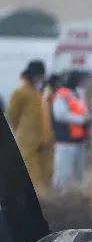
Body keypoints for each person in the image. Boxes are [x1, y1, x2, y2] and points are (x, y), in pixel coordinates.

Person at [6, 60, 53, 190]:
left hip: (43, 141)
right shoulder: (20, 93)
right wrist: (23, 132)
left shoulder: (40, 93)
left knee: (45, 176)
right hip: (28, 142)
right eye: (39, 75)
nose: (41, 79)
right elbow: (12, 117)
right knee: (31, 176)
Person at [50, 71, 91, 190]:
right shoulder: (61, 94)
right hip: (65, 140)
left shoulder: (79, 94)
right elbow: (60, 115)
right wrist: (81, 120)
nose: (85, 82)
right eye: (83, 80)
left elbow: (84, 111)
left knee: (78, 176)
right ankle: (59, 200)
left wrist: (87, 119)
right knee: (63, 174)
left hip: (79, 140)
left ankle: (74, 200)